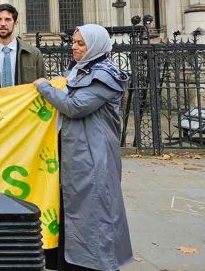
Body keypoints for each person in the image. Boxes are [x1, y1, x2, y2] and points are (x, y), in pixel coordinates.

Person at [33, 24, 133, 271]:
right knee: (74, 210)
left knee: (94, 211)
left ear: (96, 46)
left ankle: (96, 264)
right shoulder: (80, 70)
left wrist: (44, 87)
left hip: (94, 155)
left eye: (80, 43)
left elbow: (75, 107)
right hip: (75, 154)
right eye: (74, 42)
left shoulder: (105, 74)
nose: (74, 47)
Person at [0, 3, 45, 92]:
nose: (3, 24)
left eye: (8, 19)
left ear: (16, 23)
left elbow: (44, 87)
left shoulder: (34, 54)